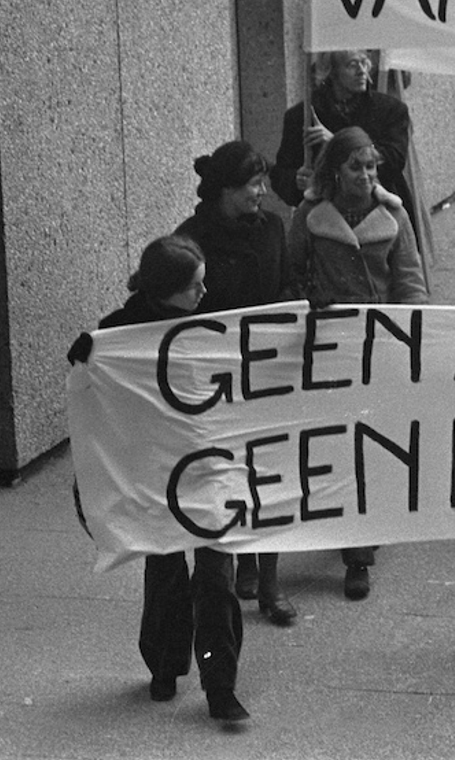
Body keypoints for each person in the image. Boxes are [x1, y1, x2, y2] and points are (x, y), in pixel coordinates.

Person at [78, 235, 250, 722]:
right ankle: (166, 665)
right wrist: (85, 359)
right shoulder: (117, 334)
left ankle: (220, 684)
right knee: (166, 570)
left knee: (217, 577)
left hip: (209, 463)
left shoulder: (211, 319)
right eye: (193, 285)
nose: (204, 293)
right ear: (165, 289)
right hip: (155, 469)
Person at [284, 126, 427, 600]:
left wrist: (414, 334)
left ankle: (360, 551)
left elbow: (409, 278)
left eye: (371, 167)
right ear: (334, 171)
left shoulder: (393, 216)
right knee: (338, 444)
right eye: (355, 167)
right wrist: (310, 299)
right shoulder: (308, 216)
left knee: (371, 443)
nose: (365, 176)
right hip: (329, 342)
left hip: (381, 342)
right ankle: (348, 535)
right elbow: (291, 272)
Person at [174, 142, 297, 629]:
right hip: (216, 379)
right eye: (253, 184)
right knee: (228, 474)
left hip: (266, 371)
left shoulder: (272, 227)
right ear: (225, 189)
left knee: (270, 473)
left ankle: (269, 583)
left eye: (264, 182)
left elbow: (287, 284)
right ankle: (239, 567)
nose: (263, 192)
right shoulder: (190, 239)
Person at [275, 50, 421, 255]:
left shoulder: (390, 110)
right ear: (331, 72)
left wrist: (336, 142)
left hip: (381, 216)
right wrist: (296, 181)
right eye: (352, 65)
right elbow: (281, 173)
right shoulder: (302, 116)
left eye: (365, 63)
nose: (362, 71)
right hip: (326, 225)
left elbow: (394, 161)